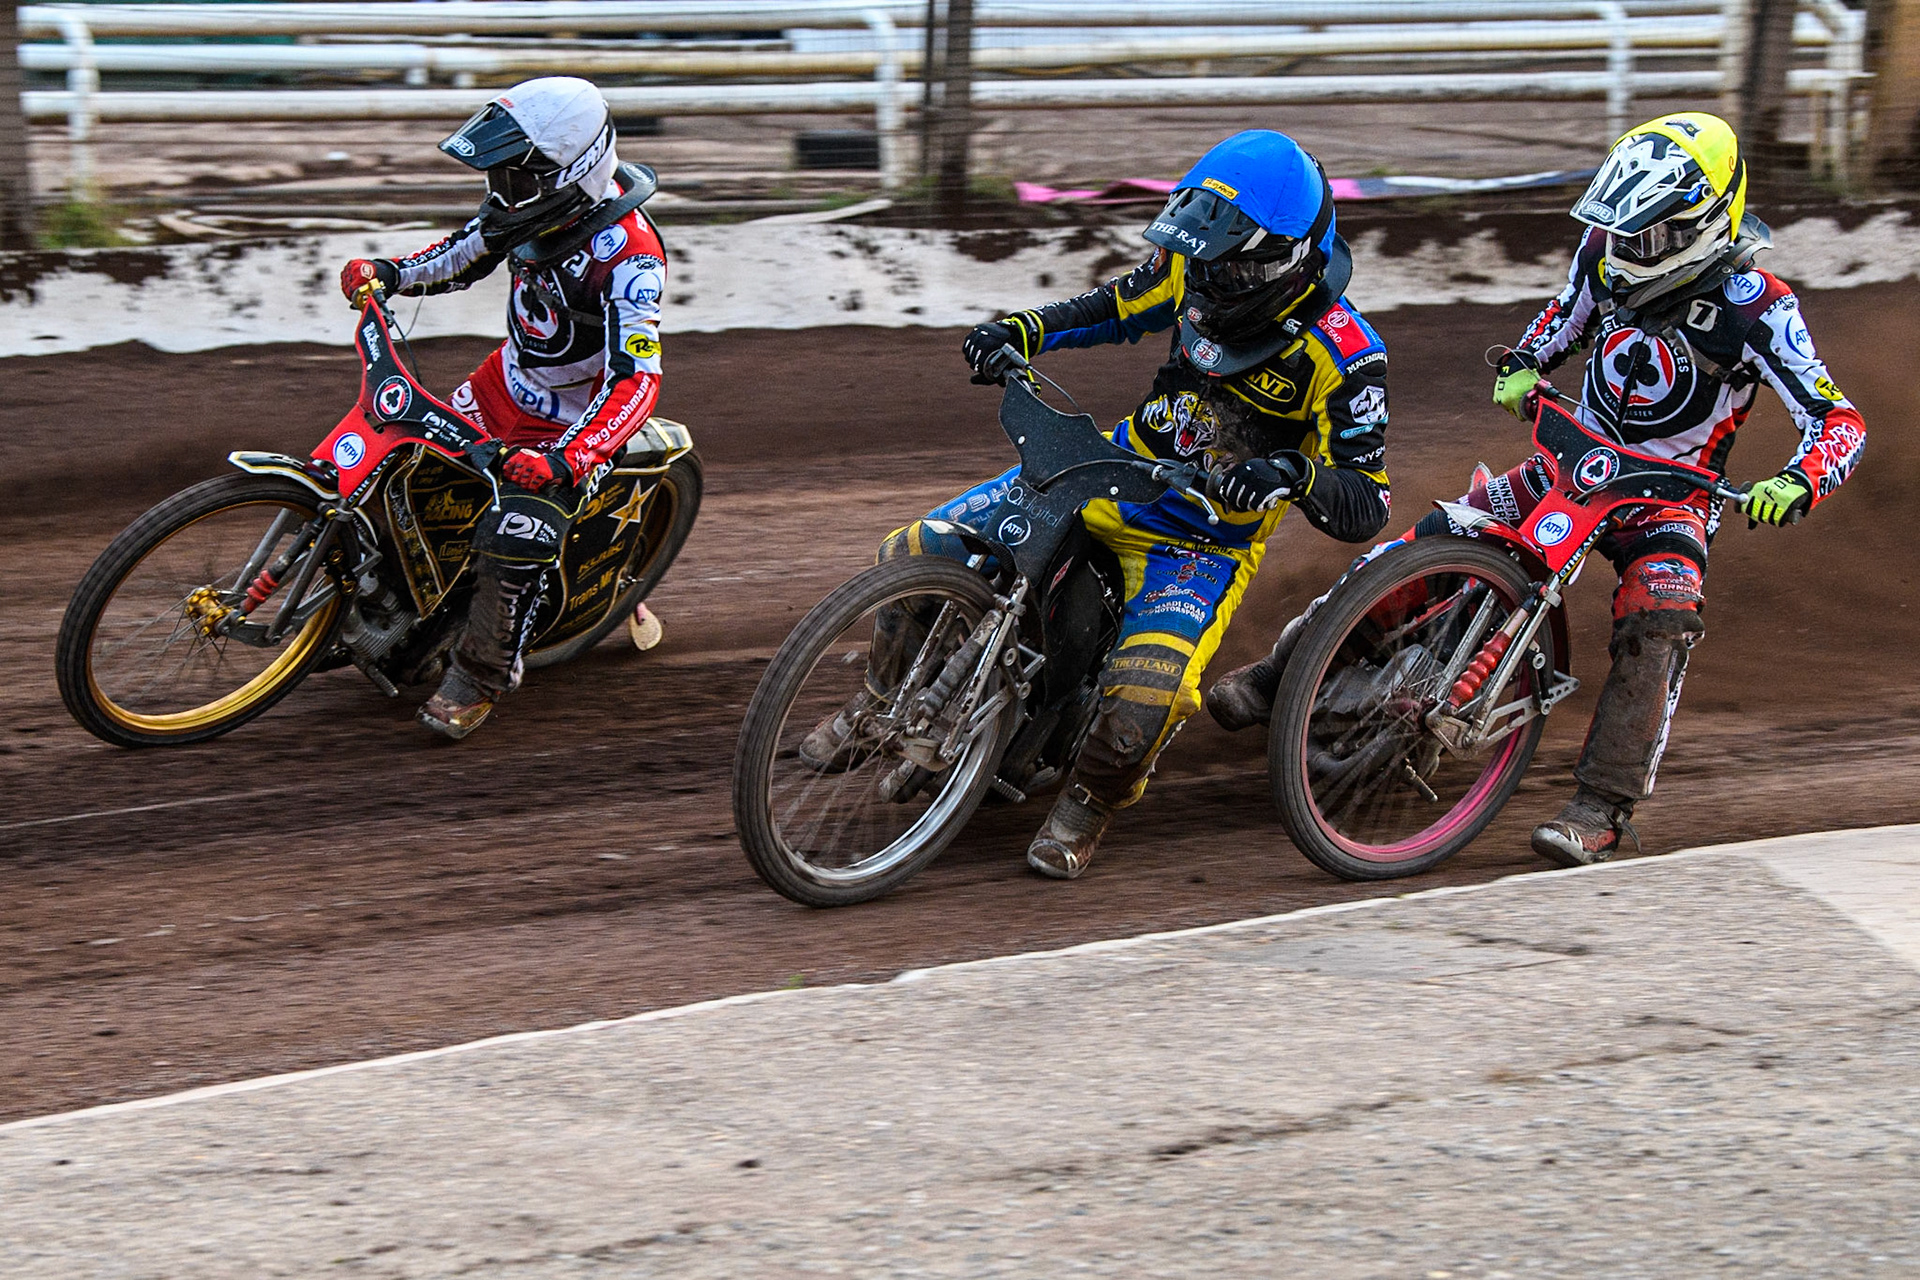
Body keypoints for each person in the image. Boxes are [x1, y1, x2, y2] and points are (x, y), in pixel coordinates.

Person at [1209, 111, 1866, 866]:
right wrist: (1525, 359)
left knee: (1661, 617)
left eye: (1648, 237)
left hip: (1667, 500)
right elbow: (1568, 317)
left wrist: (1801, 479)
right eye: (1622, 231)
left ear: (1707, 224)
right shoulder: (1604, 252)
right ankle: (1283, 672)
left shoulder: (1761, 307)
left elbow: (1838, 418)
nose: (1628, 250)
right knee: (1433, 541)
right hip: (1570, 460)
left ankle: (1604, 805)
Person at [809, 130, 1394, 879]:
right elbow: (1116, 305)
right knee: (916, 551)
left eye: (1230, 266)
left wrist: (1294, 476)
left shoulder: (1348, 356)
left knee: (1146, 696)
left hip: (1198, 541)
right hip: (1102, 469)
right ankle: (875, 702)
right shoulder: (1195, 263)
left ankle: (1087, 803)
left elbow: (1367, 502)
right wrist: (1021, 329)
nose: (1208, 282)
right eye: (1204, 259)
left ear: (1284, 259)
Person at [337, 77, 668, 740]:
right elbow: (463, 252)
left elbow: (639, 381)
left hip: (571, 425)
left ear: (569, 173)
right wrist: (392, 273)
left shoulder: (630, 257)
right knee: (394, 463)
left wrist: (570, 459)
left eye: (515, 180)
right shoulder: (526, 211)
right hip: (501, 386)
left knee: (517, 536)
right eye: (498, 177)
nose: (499, 193)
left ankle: (479, 676)